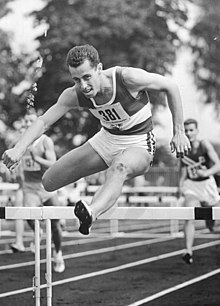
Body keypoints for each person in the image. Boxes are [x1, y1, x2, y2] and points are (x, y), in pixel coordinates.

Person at [2, 44, 190, 236]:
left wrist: (179, 131)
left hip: (138, 142)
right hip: (107, 139)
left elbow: (170, 86)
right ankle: (108, 189)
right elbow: (43, 121)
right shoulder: (74, 94)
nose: (83, 86)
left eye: (87, 77)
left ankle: (92, 211)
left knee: (119, 168)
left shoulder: (127, 78)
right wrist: (19, 148)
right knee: (49, 181)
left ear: (99, 69)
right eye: (76, 79)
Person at [11, 110, 65, 272]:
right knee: (28, 214)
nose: (27, 124)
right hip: (30, 187)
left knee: (55, 223)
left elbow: (53, 164)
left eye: (31, 121)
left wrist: (37, 159)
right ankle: (38, 231)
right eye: (25, 121)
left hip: (47, 186)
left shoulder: (45, 141)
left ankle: (58, 253)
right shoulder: (21, 141)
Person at [179, 118, 220, 264]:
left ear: (197, 131)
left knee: (212, 218)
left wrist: (207, 172)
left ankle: (210, 223)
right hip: (192, 187)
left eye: (191, 130)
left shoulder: (204, 144)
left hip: (207, 185)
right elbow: (183, 172)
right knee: (189, 214)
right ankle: (188, 251)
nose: (189, 133)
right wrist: (180, 188)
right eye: (186, 131)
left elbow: (218, 165)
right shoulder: (183, 148)